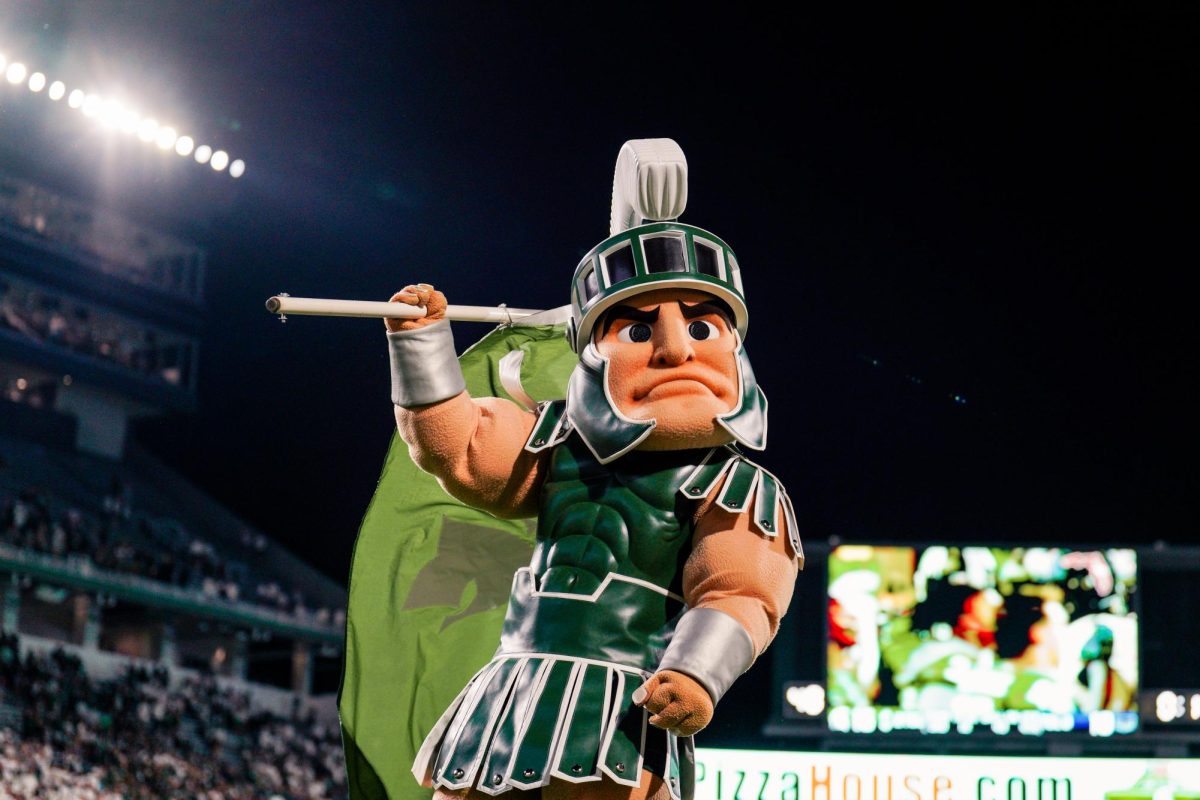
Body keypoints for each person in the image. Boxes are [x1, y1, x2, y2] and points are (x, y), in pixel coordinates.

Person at [385, 140, 802, 800]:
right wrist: (422, 345)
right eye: (637, 331)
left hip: (624, 712)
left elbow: (738, 591)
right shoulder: (555, 444)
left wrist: (697, 673)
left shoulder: (738, 486)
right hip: (510, 694)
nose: (673, 349)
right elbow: (456, 447)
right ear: (595, 355)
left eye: (701, 329)